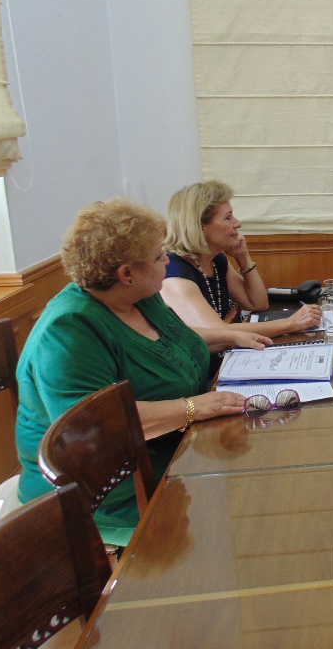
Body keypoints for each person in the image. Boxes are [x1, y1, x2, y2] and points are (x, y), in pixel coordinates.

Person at [16, 198, 269, 547]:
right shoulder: (68, 330)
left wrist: (232, 336)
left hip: (175, 446)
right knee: (245, 523)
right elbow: (94, 428)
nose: (167, 260)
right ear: (127, 274)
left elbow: (181, 344)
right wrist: (193, 407)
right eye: (158, 256)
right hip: (104, 491)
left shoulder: (140, 296)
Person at [162, 181, 322, 341]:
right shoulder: (174, 272)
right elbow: (216, 332)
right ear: (201, 226)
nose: (237, 223)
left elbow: (256, 303)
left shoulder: (216, 260)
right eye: (228, 217)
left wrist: (243, 257)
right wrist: (290, 324)